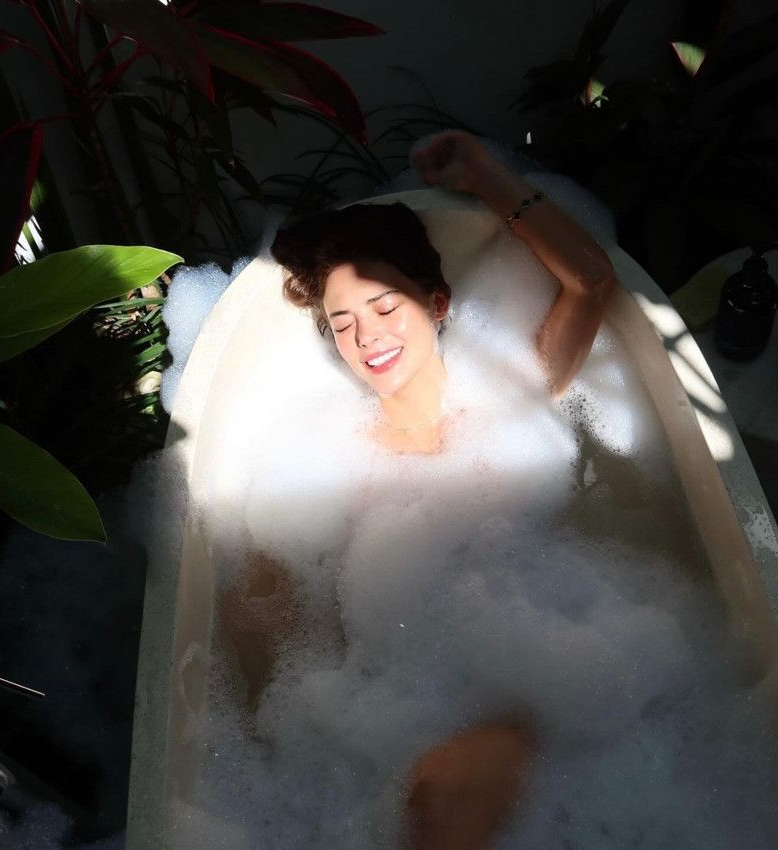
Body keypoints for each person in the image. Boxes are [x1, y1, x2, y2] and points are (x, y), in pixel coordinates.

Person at [222, 129, 618, 848]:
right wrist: (280, 725)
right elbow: (267, 610)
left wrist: (486, 175)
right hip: (400, 709)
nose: (367, 337)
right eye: (342, 324)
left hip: (549, 677)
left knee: (442, 801)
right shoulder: (333, 459)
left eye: (385, 307)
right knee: (430, 803)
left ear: (436, 303)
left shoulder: (514, 391)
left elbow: (590, 281)